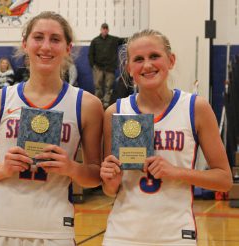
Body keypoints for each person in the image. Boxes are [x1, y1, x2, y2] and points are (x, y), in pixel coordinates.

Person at [0, 11, 103, 246]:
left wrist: (71, 168)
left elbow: (94, 176)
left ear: (68, 48)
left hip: (54, 229)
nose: (46, 46)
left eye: (55, 39)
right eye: (38, 37)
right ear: (25, 44)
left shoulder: (87, 104)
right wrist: (3, 168)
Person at [100, 29, 233, 245]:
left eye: (154, 56)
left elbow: (224, 180)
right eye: (138, 59)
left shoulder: (195, 107)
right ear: (129, 68)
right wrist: (110, 181)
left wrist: (175, 172)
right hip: (121, 235)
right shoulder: (115, 112)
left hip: (176, 236)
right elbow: (109, 190)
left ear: (171, 60)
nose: (147, 65)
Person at [88, 23, 126, 109]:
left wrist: (135, 38)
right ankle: (98, 101)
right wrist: (92, 65)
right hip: (98, 67)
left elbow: (124, 40)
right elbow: (90, 54)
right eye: (103, 28)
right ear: (101, 30)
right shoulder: (95, 41)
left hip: (110, 67)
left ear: (108, 30)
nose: (104, 30)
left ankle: (106, 102)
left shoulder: (113, 40)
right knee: (98, 86)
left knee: (109, 86)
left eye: (106, 29)